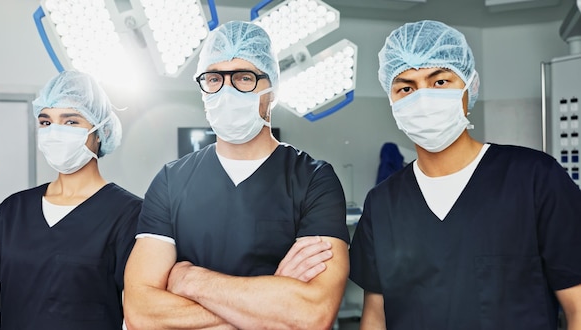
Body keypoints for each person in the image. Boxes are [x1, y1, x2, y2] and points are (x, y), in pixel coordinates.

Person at [349, 20, 581, 330]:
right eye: (406, 87)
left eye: (440, 82)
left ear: (469, 88)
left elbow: (577, 307)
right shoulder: (382, 204)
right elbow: (376, 318)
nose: (423, 98)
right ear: (393, 102)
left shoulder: (535, 179)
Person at [124, 20, 350, 330]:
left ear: (272, 89)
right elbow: (140, 312)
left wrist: (190, 279)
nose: (226, 91)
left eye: (244, 78)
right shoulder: (171, 181)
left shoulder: (313, 179)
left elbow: (312, 315)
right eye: (214, 78)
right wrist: (272, 298)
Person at [0, 70, 142, 330]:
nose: (55, 132)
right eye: (46, 122)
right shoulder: (14, 210)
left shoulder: (130, 215)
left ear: (100, 132)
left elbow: (135, 316)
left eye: (71, 122)